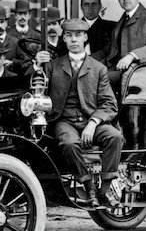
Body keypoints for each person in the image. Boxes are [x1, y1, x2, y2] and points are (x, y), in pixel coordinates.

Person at [34, 19, 123, 209]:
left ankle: (105, 190)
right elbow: (36, 91)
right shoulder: (53, 66)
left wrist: (93, 123)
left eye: (78, 35)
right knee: (69, 144)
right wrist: (36, 67)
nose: (74, 39)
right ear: (64, 39)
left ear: (85, 38)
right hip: (64, 121)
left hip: (92, 121)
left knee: (115, 137)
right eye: (69, 35)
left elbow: (109, 104)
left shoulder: (98, 68)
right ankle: (89, 185)